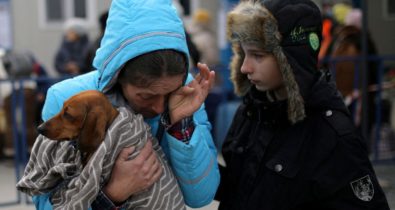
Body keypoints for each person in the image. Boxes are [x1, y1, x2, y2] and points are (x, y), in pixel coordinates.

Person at [32, 0, 219, 209]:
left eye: (169, 94)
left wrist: (180, 126)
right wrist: (112, 194)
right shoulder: (68, 99)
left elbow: (201, 196)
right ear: (118, 76)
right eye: (146, 96)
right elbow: (45, 202)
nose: (159, 108)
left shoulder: (186, 94)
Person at [215, 0, 390, 209]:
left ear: (290, 59)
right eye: (244, 53)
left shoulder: (332, 135)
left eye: (258, 55)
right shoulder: (250, 111)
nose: (245, 67)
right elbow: (236, 187)